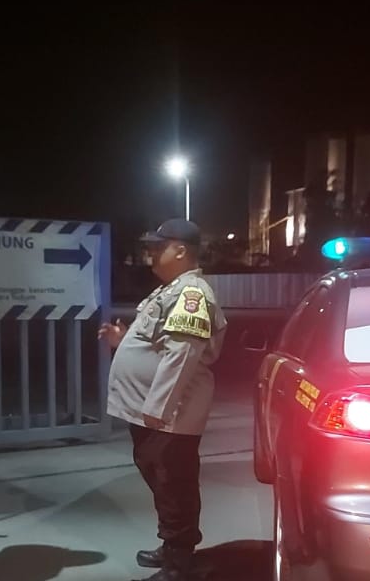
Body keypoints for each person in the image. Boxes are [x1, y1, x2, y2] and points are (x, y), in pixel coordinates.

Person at [100, 218, 228, 581]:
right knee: (163, 479)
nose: (151, 254)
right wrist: (123, 341)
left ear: (181, 250)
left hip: (171, 415)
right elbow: (159, 342)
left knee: (174, 484)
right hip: (156, 413)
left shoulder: (192, 294)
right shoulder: (171, 290)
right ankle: (173, 545)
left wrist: (159, 408)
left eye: (159, 247)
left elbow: (182, 356)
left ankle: (179, 563)